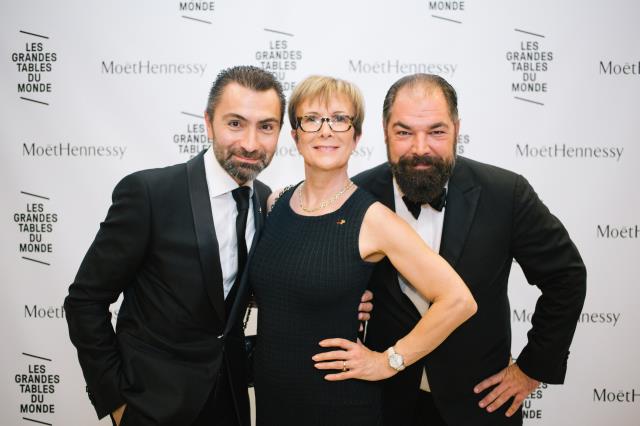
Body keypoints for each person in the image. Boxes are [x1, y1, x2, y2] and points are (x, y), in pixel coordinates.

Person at [63, 65, 374, 426]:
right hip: (151, 406)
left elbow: (260, 285)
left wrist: (341, 297)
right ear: (209, 123)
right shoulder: (150, 194)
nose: (250, 143)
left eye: (266, 127)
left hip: (232, 403)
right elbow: (84, 301)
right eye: (235, 123)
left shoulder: (268, 203)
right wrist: (116, 402)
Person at [352, 73, 587, 425]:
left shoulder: (505, 193)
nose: (420, 147)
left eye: (436, 131)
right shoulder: (357, 196)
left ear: (456, 129)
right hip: (383, 403)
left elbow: (566, 277)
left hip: (481, 404)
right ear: (385, 131)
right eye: (404, 132)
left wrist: (531, 368)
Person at [248, 75, 477, 426]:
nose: (326, 130)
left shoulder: (373, 219)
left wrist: (389, 361)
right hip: (272, 401)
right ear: (294, 136)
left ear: (355, 136)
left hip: (338, 405)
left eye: (340, 119)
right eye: (311, 119)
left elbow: (458, 300)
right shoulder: (275, 202)